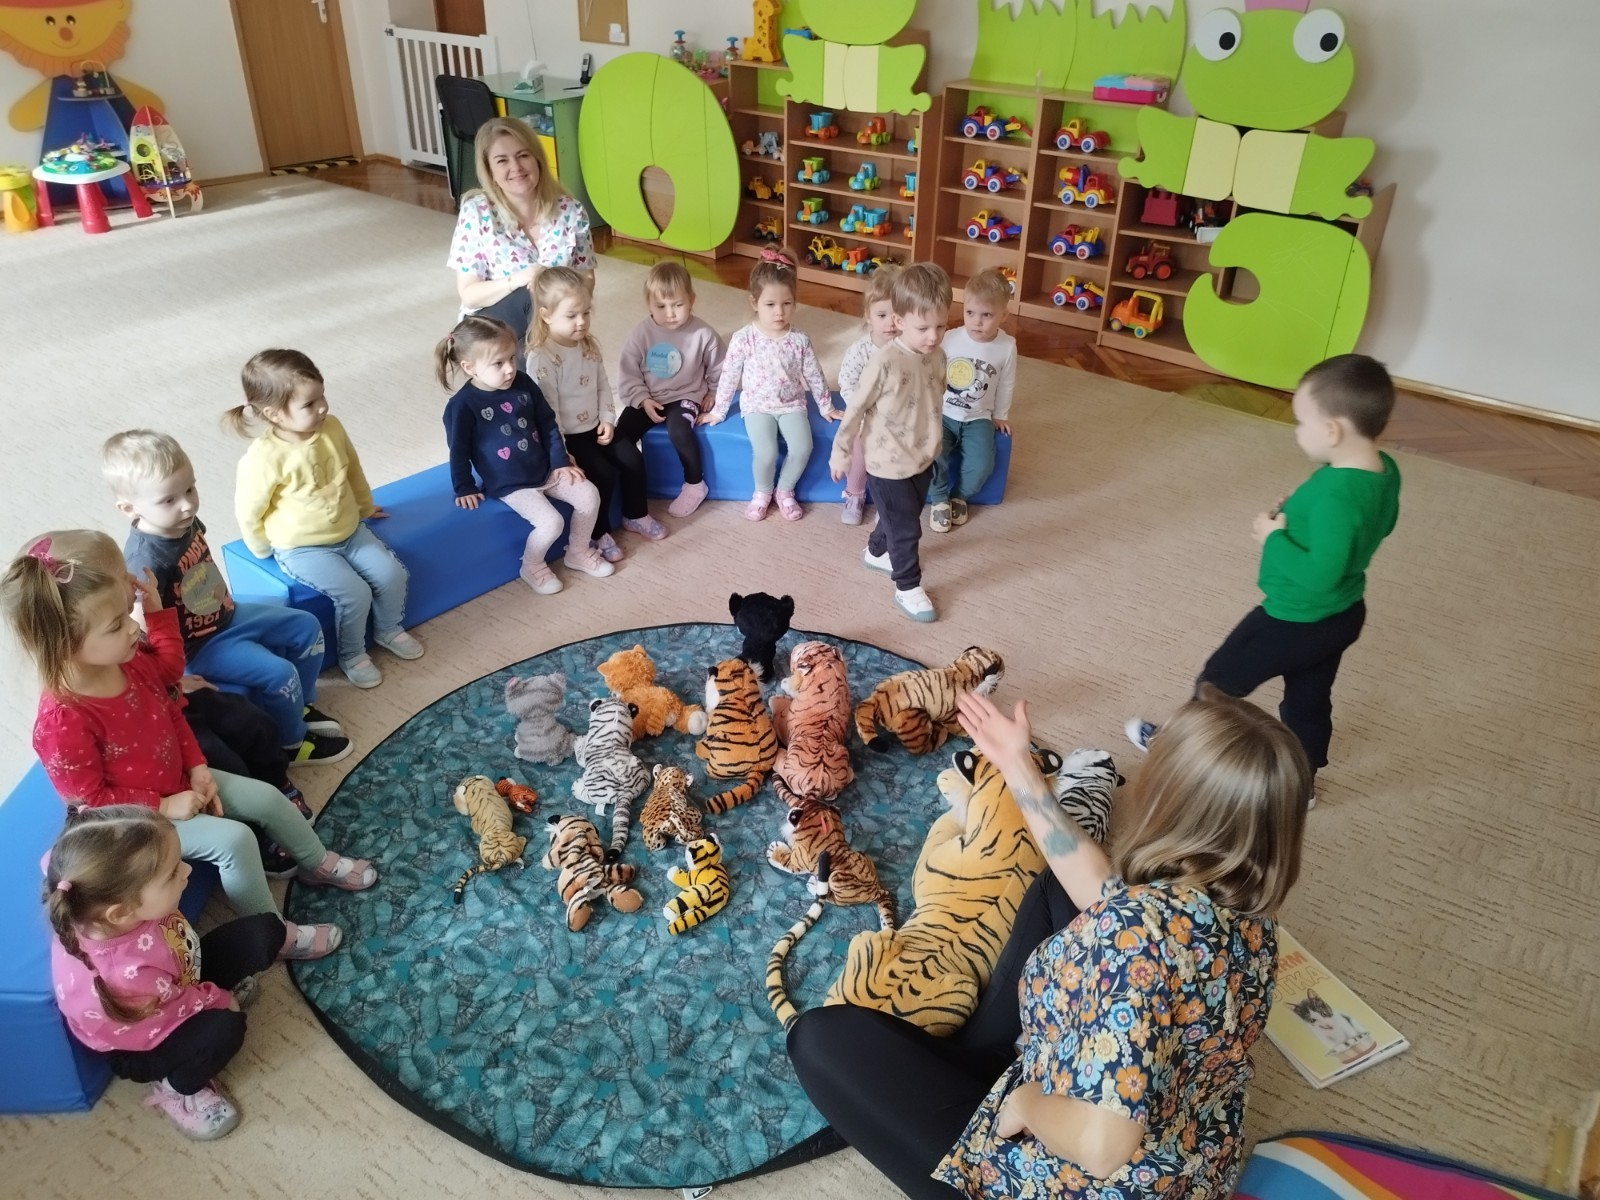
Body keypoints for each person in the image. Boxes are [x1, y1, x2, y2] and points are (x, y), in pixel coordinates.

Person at [787, 686, 1310, 1200]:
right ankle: (987, 1065)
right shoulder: (1250, 918)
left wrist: (1027, 1104)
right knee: (1058, 886)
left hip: (1066, 1175)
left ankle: (986, 1086)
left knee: (818, 1040)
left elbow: (1103, 1145)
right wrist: (1017, 766)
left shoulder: (1134, 939)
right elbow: (1102, 894)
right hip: (1183, 1163)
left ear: (1169, 800)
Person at [0, 530, 376, 922]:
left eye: (127, 615)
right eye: (115, 625)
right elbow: (92, 801)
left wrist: (196, 765)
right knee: (236, 841)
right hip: (133, 824)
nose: (132, 629)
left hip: (179, 779)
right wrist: (164, 806)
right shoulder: (62, 722)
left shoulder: (127, 659)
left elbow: (169, 710)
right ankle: (273, 932)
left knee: (267, 798)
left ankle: (316, 863)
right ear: (62, 643)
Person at [1126, 354, 1402, 805]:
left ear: (1332, 431)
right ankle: (1302, 784)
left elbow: (1320, 574)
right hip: (1344, 615)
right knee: (1307, 703)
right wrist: (1301, 512)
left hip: (1294, 617)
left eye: (1301, 423)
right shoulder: (1383, 470)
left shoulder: (1336, 496)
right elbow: (1379, 524)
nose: (1297, 432)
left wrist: (1274, 537)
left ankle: (1178, 752)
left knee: (1217, 682)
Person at [44, 806, 340, 1140]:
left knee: (265, 931)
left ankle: (264, 952)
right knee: (226, 1027)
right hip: (145, 1041)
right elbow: (173, 1009)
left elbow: (60, 856)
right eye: (172, 873)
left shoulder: (97, 897)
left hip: (177, 976)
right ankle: (178, 1088)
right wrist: (218, 999)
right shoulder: (127, 975)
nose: (186, 870)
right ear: (122, 911)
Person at [100, 429, 349, 764]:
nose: (187, 505)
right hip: (198, 646)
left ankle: (299, 705)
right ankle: (292, 744)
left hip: (228, 614)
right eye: (169, 500)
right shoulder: (144, 561)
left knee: (308, 628)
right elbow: (139, 631)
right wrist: (172, 680)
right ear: (129, 508)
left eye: (190, 489)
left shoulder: (184, 520)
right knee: (280, 673)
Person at [230, 349, 421, 689]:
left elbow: (353, 470)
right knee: (355, 594)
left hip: (350, 531)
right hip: (302, 548)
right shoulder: (263, 458)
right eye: (309, 404)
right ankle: (353, 654)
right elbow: (248, 509)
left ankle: (389, 629)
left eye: (322, 397)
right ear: (273, 413)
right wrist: (260, 549)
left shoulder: (332, 428)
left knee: (392, 574)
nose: (322, 408)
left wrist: (364, 507)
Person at [436, 314, 614, 595]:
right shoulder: (461, 406)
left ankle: (578, 551)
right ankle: (531, 565)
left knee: (589, 495)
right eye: (498, 363)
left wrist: (560, 461)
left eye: (511, 358)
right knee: (551, 523)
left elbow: (547, 423)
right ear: (470, 367)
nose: (510, 369)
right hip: (510, 484)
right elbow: (458, 450)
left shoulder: (523, 382)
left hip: (546, 469)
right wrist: (464, 486)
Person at [829, 262, 951, 623]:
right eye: (923, 328)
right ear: (899, 320)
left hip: (921, 456)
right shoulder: (883, 363)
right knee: (908, 528)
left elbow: (933, 398)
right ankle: (907, 586)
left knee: (904, 514)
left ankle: (876, 551)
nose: (933, 336)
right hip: (885, 462)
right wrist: (841, 452)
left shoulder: (937, 355)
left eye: (941, 326)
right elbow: (855, 409)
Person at [527, 266, 656, 559]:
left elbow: (602, 386)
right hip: (568, 437)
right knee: (602, 474)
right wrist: (560, 453)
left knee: (633, 458)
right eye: (571, 315)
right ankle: (598, 533)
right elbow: (548, 412)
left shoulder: (587, 345)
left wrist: (608, 419)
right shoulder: (542, 357)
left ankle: (636, 515)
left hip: (597, 426)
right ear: (546, 315)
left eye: (586, 313)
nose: (582, 322)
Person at [702, 246, 839, 522]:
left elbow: (814, 373)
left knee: (802, 447)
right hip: (757, 406)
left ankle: (784, 490)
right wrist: (718, 410)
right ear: (755, 302)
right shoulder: (744, 338)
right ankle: (762, 492)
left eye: (787, 303)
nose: (779, 312)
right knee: (766, 452)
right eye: (770, 305)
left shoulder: (799, 339)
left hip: (791, 405)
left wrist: (826, 406)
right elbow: (729, 375)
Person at [446, 117, 597, 357]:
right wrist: (518, 280)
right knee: (532, 294)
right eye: (502, 160)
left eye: (523, 155)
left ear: (537, 159)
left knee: (547, 305)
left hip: (552, 324)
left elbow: (586, 277)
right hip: (489, 327)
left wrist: (565, 307)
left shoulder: (571, 210)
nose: (516, 167)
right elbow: (470, 295)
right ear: (490, 171)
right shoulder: (477, 212)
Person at [614, 261, 726, 519]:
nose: (670, 313)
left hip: (686, 395)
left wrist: (715, 391)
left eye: (678, 305)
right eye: (661, 306)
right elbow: (629, 371)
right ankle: (625, 479)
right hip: (649, 397)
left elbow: (722, 366)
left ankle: (695, 484)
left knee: (679, 431)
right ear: (649, 304)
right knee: (622, 433)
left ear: (692, 300)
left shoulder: (703, 333)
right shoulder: (641, 333)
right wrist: (642, 399)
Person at [929, 267, 1016, 534]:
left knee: (982, 463)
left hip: (979, 417)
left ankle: (960, 496)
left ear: (1003, 315)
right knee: (932, 453)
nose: (977, 321)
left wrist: (1001, 415)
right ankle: (939, 498)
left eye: (987, 315)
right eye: (970, 313)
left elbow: (1006, 383)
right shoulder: (950, 338)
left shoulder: (1007, 346)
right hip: (944, 412)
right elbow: (931, 368)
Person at [833, 263, 902, 526]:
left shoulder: (909, 349)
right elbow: (847, 382)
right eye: (882, 315)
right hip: (866, 415)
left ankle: (889, 502)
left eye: (897, 315)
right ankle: (854, 494)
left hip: (899, 415)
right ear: (868, 316)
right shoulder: (860, 351)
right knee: (860, 447)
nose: (890, 323)